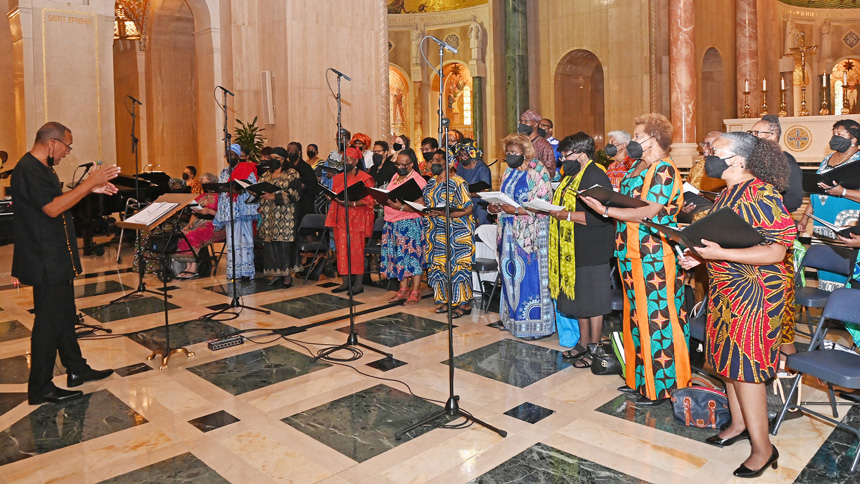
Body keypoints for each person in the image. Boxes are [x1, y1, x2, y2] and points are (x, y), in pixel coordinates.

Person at [679, 133, 795, 479]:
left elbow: (777, 251)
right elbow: (724, 240)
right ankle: (740, 424)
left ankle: (763, 449)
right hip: (728, 289)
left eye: (715, 152)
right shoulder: (729, 193)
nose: (708, 156)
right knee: (728, 362)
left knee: (747, 369)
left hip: (756, 293)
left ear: (740, 161)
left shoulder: (761, 193)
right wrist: (698, 257)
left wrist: (719, 254)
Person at [581, 113, 690, 406]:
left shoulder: (663, 169)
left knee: (657, 319)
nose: (633, 141)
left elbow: (647, 212)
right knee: (635, 319)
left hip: (653, 254)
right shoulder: (640, 166)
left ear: (653, 139)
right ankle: (640, 380)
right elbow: (627, 200)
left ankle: (663, 388)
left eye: (638, 136)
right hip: (628, 252)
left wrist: (604, 211)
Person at [12, 122, 119, 405]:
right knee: (48, 323)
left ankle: (76, 368)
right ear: (51, 143)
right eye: (66, 148)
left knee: (65, 315)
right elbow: (52, 208)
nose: (66, 154)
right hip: (44, 259)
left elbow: (55, 200)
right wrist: (88, 183)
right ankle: (40, 387)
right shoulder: (28, 169)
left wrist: (91, 190)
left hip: (56, 256)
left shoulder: (42, 168)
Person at [548, 133, 615, 364]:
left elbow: (599, 216)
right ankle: (583, 343)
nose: (563, 160)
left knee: (593, 301)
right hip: (573, 247)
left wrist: (565, 215)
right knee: (581, 300)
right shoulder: (572, 175)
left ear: (582, 155)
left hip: (591, 246)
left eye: (566, 155)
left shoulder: (596, 175)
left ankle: (595, 348)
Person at [488, 134, 555, 338]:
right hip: (507, 230)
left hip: (530, 234)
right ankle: (513, 320)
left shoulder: (538, 171)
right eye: (508, 153)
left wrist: (516, 210)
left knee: (529, 277)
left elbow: (544, 205)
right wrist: (495, 207)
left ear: (525, 153)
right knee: (510, 275)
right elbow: (503, 199)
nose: (510, 156)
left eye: (514, 153)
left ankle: (536, 325)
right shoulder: (508, 171)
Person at [799, 119, 860, 292]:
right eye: (833, 134)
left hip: (847, 225)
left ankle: (845, 313)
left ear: (854, 138)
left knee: (846, 270)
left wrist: (842, 192)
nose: (834, 138)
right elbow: (817, 190)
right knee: (825, 268)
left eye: (840, 134)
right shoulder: (827, 159)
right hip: (822, 225)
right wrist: (805, 217)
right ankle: (829, 314)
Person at [421, 149, 475, 317]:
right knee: (439, 266)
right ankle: (445, 300)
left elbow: (468, 208)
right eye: (433, 160)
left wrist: (445, 214)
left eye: (438, 160)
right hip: (435, 231)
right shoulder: (430, 182)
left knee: (457, 267)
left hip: (457, 232)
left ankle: (463, 304)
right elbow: (427, 203)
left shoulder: (458, 182)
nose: (434, 163)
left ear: (449, 163)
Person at [325, 147, 375, 294]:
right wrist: (331, 197)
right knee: (341, 250)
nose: (345, 162)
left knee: (356, 251)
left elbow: (371, 199)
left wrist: (352, 203)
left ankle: (358, 285)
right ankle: (345, 282)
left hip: (356, 218)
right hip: (340, 217)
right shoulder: (339, 177)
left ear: (356, 161)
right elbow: (336, 194)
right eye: (343, 160)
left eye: (348, 160)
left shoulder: (365, 178)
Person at [380, 149, 427, 305]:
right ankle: (403, 289)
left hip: (409, 223)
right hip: (392, 223)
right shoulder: (395, 177)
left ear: (411, 164)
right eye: (397, 164)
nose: (399, 166)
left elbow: (422, 206)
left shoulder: (417, 180)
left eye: (403, 164)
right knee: (399, 258)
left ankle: (415, 291)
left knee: (412, 258)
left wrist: (401, 207)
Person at [213, 143, 259, 281]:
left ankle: (246, 272)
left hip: (242, 211)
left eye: (233, 154)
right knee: (232, 242)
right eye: (228, 154)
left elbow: (253, 188)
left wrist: (239, 191)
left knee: (245, 241)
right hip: (229, 211)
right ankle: (234, 271)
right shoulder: (224, 172)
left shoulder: (246, 169)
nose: (230, 157)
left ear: (238, 156)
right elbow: (222, 189)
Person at [258, 148, 302, 287]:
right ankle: (276, 274)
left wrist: (274, 196)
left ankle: (287, 275)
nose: (273, 160)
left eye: (276, 157)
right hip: (268, 216)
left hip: (285, 216)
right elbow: (260, 189)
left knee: (284, 245)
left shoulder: (292, 174)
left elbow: (295, 194)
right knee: (271, 245)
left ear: (284, 160)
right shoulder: (266, 175)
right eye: (271, 157)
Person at [174, 172, 225, 278]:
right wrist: (190, 223)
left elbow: (225, 215)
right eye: (203, 183)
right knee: (184, 232)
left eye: (208, 182)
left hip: (216, 224)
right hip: (199, 222)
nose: (206, 185)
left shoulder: (221, 197)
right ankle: (188, 266)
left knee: (193, 234)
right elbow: (194, 213)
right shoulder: (201, 196)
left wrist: (209, 211)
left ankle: (195, 267)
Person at [749, 115, 803, 213]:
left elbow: (795, 199)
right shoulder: (753, 158)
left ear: (771, 135)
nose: (752, 137)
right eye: (751, 133)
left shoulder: (787, 161)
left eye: (756, 133)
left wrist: (764, 202)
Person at [454, 139, 492, 225]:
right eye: (461, 154)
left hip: (480, 206)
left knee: (480, 231)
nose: (463, 157)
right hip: (466, 205)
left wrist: (467, 193)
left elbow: (486, 192)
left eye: (466, 154)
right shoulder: (460, 166)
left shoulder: (482, 168)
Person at [518, 109, 556, 178]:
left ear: (536, 124)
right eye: (521, 121)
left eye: (526, 121)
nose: (523, 124)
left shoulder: (544, 145)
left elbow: (550, 171)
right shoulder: (520, 143)